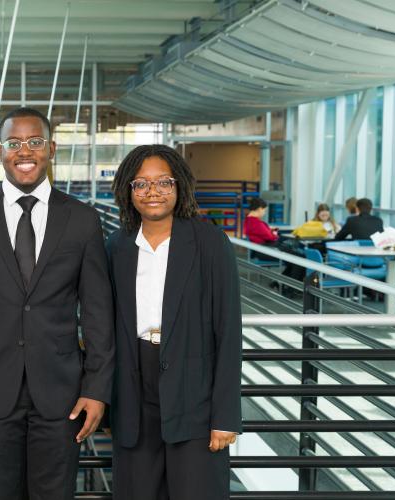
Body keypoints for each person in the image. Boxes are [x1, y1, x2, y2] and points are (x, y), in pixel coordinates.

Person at [0, 107, 115, 500]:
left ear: (51, 148)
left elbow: (98, 312)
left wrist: (97, 387)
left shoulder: (82, 220)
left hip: (63, 392)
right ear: (0, 151)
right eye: (14, 143)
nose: (25, 151)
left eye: (35, 142)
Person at [106, 145, 241, 499]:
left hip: (193, 392)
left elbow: (228, 331)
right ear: (128, 190)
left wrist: (224, 416)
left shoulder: (210, 242)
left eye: (163, 182)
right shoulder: (115, 247)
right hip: (133, 393)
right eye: (141, 184)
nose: (153, 191)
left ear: (179, 185)